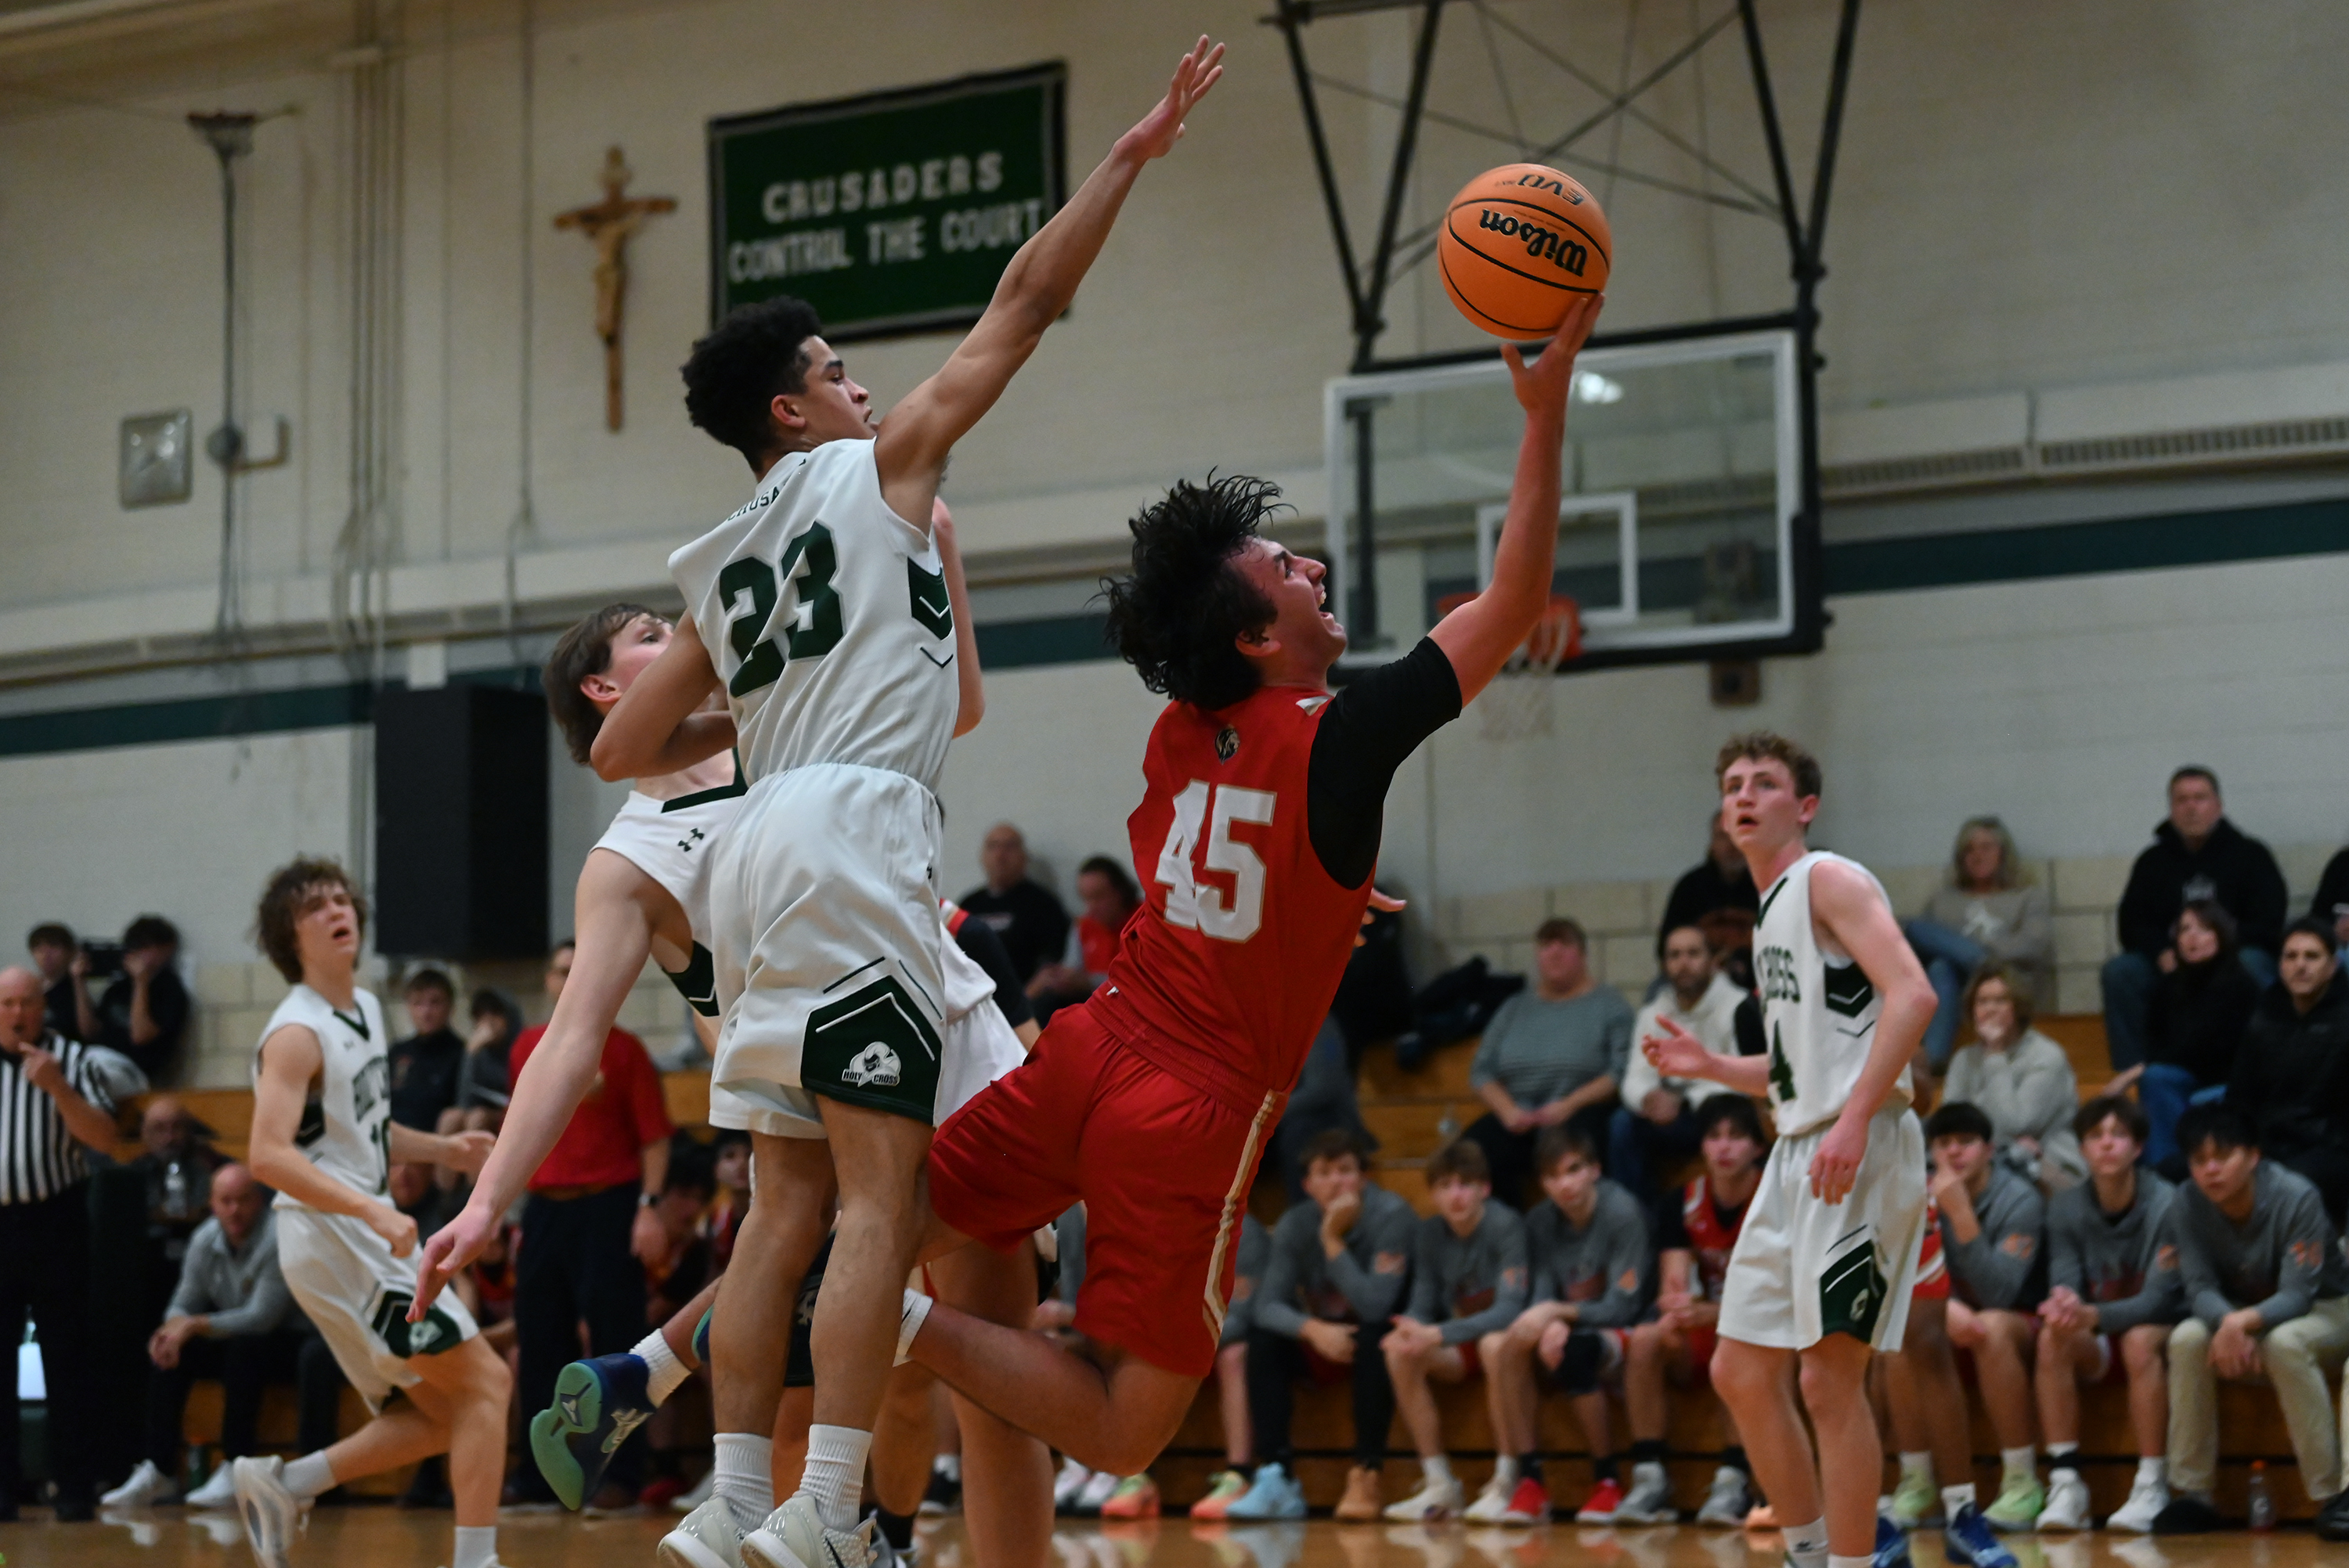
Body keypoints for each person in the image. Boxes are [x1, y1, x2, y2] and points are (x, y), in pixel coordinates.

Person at [583, 44, 1232, 1568]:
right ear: (794, 412)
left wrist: (777, 693)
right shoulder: (875, 470)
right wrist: (1127, 158)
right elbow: (1026, 304)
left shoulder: (724, 557)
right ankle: (832, 1508)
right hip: (852, 833)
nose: (860, 379)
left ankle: (736, 1491)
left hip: (750, 841)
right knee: (887, 1188)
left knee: (784, 1194)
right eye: (832, 368)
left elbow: (623, 751)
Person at [892, 286, 1605, 1501]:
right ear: (1263, 639)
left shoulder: (1182, 727)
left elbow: (1219, 854)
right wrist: (1540, 418)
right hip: (1190, 1102)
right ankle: (890, 1325)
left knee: (870, 1233)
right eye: (1287, 564)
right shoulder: (1347, 734)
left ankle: (656, 1361)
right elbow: (1514, 599)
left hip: (1085, 1046)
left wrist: (1329, 895)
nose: (1313, 564)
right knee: (1123, 1433)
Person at [417, 590, 1044, 1564]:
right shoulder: (627, 859)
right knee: (946, 1360)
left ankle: (670, 1385)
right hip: (814, 1081)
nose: (682, 639)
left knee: (968, 1367)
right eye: (652, 636)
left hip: (925, 1022)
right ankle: (774, 1478)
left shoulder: (778, 731)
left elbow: (951, 709)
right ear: (604, 686)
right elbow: (572, 1039)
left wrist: (943, 567)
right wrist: (489, 1196)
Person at [1640, 732, 1939, 1568]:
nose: (1743, 794)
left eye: (1764, 783)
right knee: (1738, 1369)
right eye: (1732, 782)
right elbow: (1799, 1064)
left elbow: (1913, 993)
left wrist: (1852, 1119)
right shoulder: (1770, 911)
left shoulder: (1827, 878)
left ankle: (1852, 1563)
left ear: (1802, 806)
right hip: (1799, 1151)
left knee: (1827, 1380)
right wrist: (1708, 1066)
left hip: (1859, 1145)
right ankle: (1810, 1552)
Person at [229, 859, 507, 1568]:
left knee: (445, 1411)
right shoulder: (295, 1032)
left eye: (339, 898)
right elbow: (266, 1155)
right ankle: (476, 1562)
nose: (335, 910)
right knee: (486, 1383)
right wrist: (371, 1211)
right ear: (290, 937)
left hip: (354, 1231)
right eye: (314, 906)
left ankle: (287, 1482)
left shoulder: (367, 1008)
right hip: (332, 1234)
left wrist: (443, 1145)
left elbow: (364, 1130)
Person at [503, 938, 675, 1509]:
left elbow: (654, 1136)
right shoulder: (527, 1045)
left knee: (616, 1343)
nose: (568, 977)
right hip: (546, 1208)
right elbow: (521, 1132)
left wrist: (647, 1207)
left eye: (579, 966)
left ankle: (622, 1476)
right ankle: (536, 1478)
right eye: (559, 969)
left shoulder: (625, 1051)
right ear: (549, 981)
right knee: (539, 1337)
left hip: (611, 1205)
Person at [2155, 1102, 2349, 1536]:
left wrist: (2241, 1322)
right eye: (2200, 1160)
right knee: (2186, 1338)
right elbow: (2199, 1287)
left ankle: (2332, 1495)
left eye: (2223, 1157)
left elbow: (2299, 1294)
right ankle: (2193, 1494)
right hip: (2240, 1315)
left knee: (2286, 1343)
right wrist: (2231, 1322)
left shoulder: (2295, 1196)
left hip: (2330, 1307)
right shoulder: (2185, 1202)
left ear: (2254, 1156)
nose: (2211, 1171)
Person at [104, 1162, 315, 1510]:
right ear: (212, 1204)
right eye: (225, 1201)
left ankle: (236, 1465)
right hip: (235, 1338)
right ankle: (159, 1468)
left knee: (245, 1349)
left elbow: (262, 1318)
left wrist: (195, 1325)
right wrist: (172, 1333)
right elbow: (181, 1303)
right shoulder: (204, 1238)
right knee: (171, 1350)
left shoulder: (279, 1236)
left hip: (289, 1341)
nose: (234, 1210)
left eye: (243, 1200)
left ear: (259, 1201)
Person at [1472, 1124, 1651, 1527]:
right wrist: (1548, 1319)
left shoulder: (1623, 1214)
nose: (1564, 1184)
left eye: (1573, 1170)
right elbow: (1542, 1293)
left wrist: (1560, 1315)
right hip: (1566, 1325)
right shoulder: (1539, 1222)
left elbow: (1623, 1306)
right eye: (1552, 1177)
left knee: (1576, 1352)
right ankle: (1530, 1481)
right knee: (1505, 1344)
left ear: (1595, 1169)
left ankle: (1606, 1479)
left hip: (1626, 1328)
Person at [1231, 1128, 1413, 1522]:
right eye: (1324, 1173)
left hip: (1380, 1341)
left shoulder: (1393, 1215)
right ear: (1307, 1185)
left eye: (1345, 1171)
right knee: (1262, 1338)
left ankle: (1367, 1471)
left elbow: (1374, 1306)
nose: (1336, 1182)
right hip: (1326, 1339)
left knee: (1378, 1337)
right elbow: (1266, 1306)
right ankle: (1277, 1474)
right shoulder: (1296, 1223)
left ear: (1364, 1178)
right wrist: (1313, 1330)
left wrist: (1331, 1238)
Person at [2030, 1095, 2182, 1533]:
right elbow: (2065, 1278)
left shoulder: (2168, 1203)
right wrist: (2061, 1304)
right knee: (2051, 1335)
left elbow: (2159, 1300)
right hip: (2097, 1325)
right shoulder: (2065, 1206)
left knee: (2138, 1340)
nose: (2107, 1145)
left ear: (2138, 1148)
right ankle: (2066, 1482)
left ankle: (2152, 1482)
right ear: (2082, 1150)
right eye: (2096, 1136)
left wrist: (2090, 1314)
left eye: (2118, 1135)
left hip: (2163, 1325)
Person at [0, 964, 118, 1522]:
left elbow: (106, 1138)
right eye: (6, 1003)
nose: (17, 1012)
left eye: (26, 1001)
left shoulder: (73, 1059)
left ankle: (75, 1485)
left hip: (56, 1219)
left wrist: (58, 1090)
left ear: (43, 1005)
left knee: (67, 1355)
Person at [1622, 1094, 1770, 1529]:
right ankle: (1649, 1475)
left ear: (1758, 1148)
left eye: (1737, 1137)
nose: (1724, 1147)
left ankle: (1733, 1476)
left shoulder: (1775, 1200)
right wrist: (1679, 1310)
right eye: (1714, 1137)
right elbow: (1674, 1287)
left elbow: (1781, 1295)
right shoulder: (1681, 1203)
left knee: (1735, 1336)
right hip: (1712, 1322)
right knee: (1648, 1338)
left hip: (1770, 1331)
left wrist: (1715, 1313)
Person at [1377, 1139, 1530, 1521]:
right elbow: (1423, 1300)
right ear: (1433, 1193)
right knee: (1398, 1351)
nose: (1456, 1196)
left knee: (1494, 1346)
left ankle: (1508, 1478)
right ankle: (1439, 1482)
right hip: (1462, 1342)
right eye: (1445, 1186)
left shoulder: (1505, 1225)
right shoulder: (1430, 1234)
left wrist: (1440, 1334)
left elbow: (1510, 1309)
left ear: (1485, 1188)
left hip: (1510, 1342)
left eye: (1465, 1184)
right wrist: (1410, 1328)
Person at [2102, 766, 2287, 1072]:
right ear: (2171, 809)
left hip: (2235, 961)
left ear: (2218, 805)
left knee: (2255, 963)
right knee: (2121, 972)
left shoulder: (2251, 855)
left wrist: (2217, 947)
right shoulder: (2152, 862)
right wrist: (2162, 951)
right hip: (2173, 962)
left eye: (2200, 798)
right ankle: (2134, 1075)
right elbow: (2131, 923)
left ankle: (2262, 1066)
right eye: (2182, 800)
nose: (2191, 808)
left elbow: (2269, 922)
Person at [1924, 1100, 2049, 1530]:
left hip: (2025, 1321)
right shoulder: (1919, 1195)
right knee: (1897, 1334)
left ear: (1989, 1149)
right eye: (1943, 1144)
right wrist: (1941, 1307)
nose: (1954, 1153)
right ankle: (1918, 1483)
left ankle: (2021, 1481)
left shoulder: (2021, 1200)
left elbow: (1999, 1292)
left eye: (1966, 1142)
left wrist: (1960, 1213)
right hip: (1951, 1316)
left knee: (1991, 1327)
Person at [1462, 917, 1633, 1206]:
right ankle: (1507, 1233)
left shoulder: (1610, 1004)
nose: (1554, 952)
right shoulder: (1514, 1007)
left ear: (1582, 954)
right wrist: (1508, 1111)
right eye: (1546, 945)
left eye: (1564, 943)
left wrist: (1569, 1105)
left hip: (1580, 1109)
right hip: (1520, 1113)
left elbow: (1619, 1070)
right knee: (1474, 1150)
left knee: (1581, 1144)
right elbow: (1482, 1070)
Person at [2109, 900, 2261, 1170]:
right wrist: (2147, 1067)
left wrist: (2133, 1072)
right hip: (2182, 1076)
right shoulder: (2168, 986)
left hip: (2226, 1078)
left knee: (2159, 1078)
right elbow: (2155, 1041)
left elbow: (2207, 1047)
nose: (2192, 936)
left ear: (2221, 935)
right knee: (2157, 1079)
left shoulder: (2241, 985)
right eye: (2184, 929)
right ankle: (2164, 1172)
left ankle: (2180, 1168)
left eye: (2203, 929)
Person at [2225, 917, 2349, 1222]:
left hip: (2328, 1147)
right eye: (2291, 956)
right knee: (2184, 1170)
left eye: (2312, 956)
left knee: (2286, 1183)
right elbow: (2239, 1094)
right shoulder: (2265, 1015)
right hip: (2268, 1142)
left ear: (2332, 967)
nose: (2300, 966)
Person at [1903, 818, 2053, 1069]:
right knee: (1921, 941)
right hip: (1955, 989)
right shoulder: (1943, 901)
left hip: (2006, 982)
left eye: (1986, 848)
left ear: (2003, 853)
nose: (1977, 856)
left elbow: (2034, 945)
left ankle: (1981, 961)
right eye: (1969, 849)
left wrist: (1982, 951)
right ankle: (1934, 1060)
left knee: (1942, 959)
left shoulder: (2026, 897)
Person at [1612, 924, 1744, 1199]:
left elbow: (1742, 1077)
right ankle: (1640, 1223)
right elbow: (1635, 1076)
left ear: (1712, 961)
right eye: (1674, 956)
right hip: (1668, 1110)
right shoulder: (1653, 1013)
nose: (1684, 964)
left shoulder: (1737, 1006)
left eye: (1693, 954)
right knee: (1622, 1125)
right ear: (1664, 965)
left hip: (1718, 1108)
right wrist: (1648, 1098)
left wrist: (1684, 1101)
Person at [1939, 964, 2084, 1188]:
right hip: (1980, 1161)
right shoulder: (1963, 1059)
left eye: (2000, 1001)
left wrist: (1995, 1053)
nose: (1990, 1009)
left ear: (2017, 1007)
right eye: (1982, 1002)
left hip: (2049, 1165)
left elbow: (2014, 1126)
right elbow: (1951, 1124)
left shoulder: (2046, 1056)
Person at [70, 913, 189, 1082]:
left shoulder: (171, 991)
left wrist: (141, 983)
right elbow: (90, 1031)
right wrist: (78, 983)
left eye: (146, 947)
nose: (138, 954)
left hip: (134, 1072)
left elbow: (140, 1036)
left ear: (167, 949)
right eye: (135, 947)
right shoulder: (119, 987)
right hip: (99, 1059)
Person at [1027, 855, 1142, 1021]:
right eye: (1086, 899)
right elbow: (1071, 969)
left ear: (1120, 892)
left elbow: (1142, 981)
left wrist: (1089, 982)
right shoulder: (1083, 926)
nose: (1091, 907)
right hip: (1092, 1004)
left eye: (1099, 897)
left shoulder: (1144, 921)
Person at [961, 824, 1074, 989]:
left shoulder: (1043, 904)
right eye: (993, 847)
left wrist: (1022, 1004)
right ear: (983, 856)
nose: (1000, 855)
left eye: (1009, 847)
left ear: (1023, 857)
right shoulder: (969, 904)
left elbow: (1051, 966)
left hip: (1027, 1003)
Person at [1658, 816, 1759, 989]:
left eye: (1737, 836)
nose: (1730, 845)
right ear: (1712, 843)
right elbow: (1664, 948)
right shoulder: (1690, 887)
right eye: (1722, 837)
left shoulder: (1765, 885)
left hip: (1756, 979)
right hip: (1700, 981)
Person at [387, 968, 466, 1133]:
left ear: (451, 1006)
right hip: (393, 1143)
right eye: (418, 1004)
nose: (426, 1013)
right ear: (408, 1007)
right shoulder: (397, 1052)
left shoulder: (463, 1054)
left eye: (435, 1003)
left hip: (436, 1145)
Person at [26, 921, 78, 1040]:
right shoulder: (29, 987)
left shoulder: (74, 989)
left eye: (53, 947)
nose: (46, 954)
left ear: (69, 952)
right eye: (39, 948)